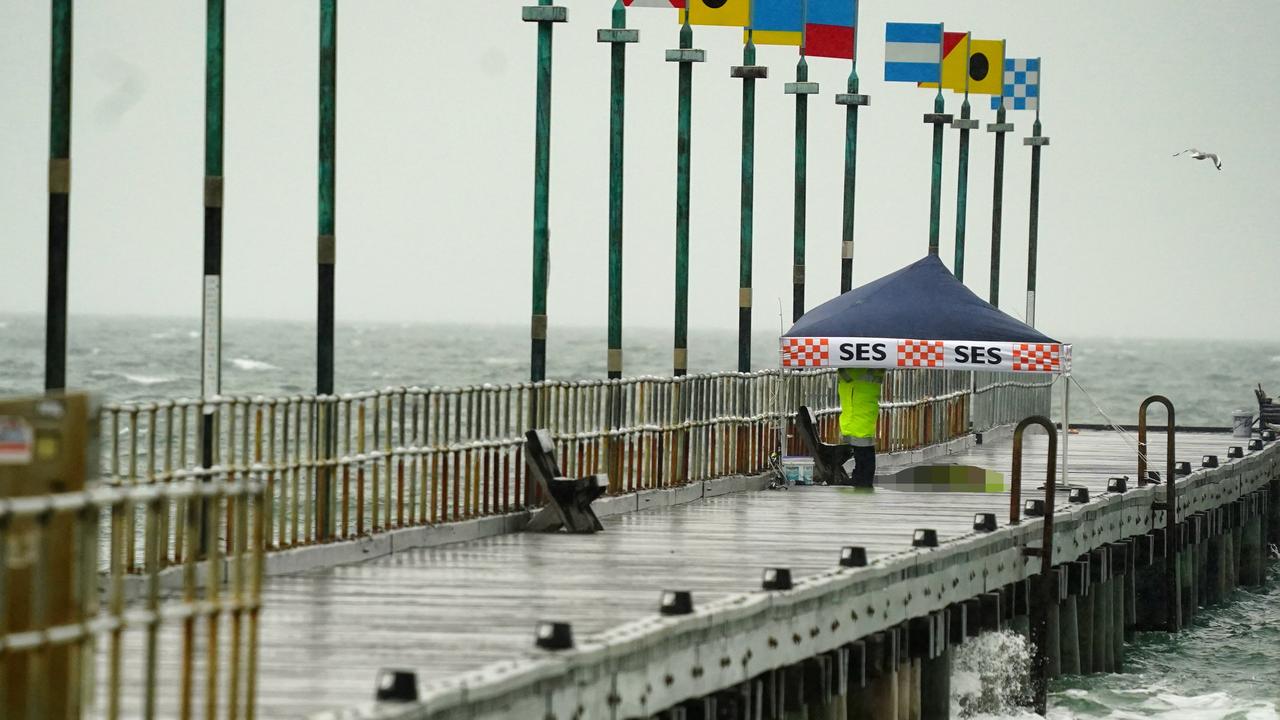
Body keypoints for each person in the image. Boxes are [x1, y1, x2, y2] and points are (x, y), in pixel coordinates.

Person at [837, 367, 885, 486]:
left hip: (858, 403)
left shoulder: (859, 362)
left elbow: (847, 375)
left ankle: (862, 477)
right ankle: (861, 476)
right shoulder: (874, 360)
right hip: (861, 402)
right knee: (863, 446)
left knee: (863, 447)